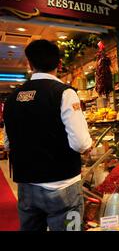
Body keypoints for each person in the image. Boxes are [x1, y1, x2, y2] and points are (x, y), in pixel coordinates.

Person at [3, 40, 92, 231]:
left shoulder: (12, 98)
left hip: (27, 186)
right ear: (59, 64)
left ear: (29, 64)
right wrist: (87, 147)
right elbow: (80, 142)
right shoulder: (65, 93)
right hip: (63, 186)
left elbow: (8, 143)